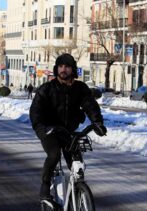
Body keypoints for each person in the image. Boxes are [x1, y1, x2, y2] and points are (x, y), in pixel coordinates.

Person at [29, 53, 107, 201]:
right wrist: (41, 129)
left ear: (73, 69)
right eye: (60, 66)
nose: (63, 69)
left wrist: (97, 123)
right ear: (56, 68)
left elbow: (90, 105)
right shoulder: (47, 88)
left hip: (68, 132)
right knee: (54, 155)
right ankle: (45, 185)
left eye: (67, 67)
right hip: (50, 131)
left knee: (77, 164)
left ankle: (78, 192)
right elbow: (36, 111)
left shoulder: (80, 88)